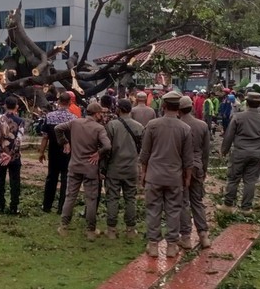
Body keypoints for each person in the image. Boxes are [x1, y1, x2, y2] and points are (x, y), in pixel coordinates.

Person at [140, 91, 194, 258]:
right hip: (174, 177)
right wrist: (187, 177)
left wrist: (143, 173)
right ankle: (171, 246)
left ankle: (153, 245)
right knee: (173, 210)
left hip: (154, 176)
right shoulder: (185, 128)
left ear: (163, 106)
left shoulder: (152, 125)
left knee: (153, 210)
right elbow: (188, 158)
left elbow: (145, 153)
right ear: (178, 107)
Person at [55, 102, 111, 241]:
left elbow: (57, 128)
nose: (102, 115)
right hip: (90, 168)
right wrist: (99, 153)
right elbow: (108, 146)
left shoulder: (75, 122)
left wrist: (64, 142)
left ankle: (64, 226)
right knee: (91, 199)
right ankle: (91, 231)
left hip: (74, 166)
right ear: (97, 113)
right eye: (101, 113)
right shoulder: (99, 128)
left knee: (70, 196)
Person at [219, 91, 260, 213]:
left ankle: (228, 205)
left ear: (246, 102)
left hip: (239, 153)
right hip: (256, 154)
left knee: (233, 179)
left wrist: (224, 150)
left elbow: (229, 136)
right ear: (259, 103)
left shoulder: (238, 117)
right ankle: (246, 208)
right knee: (250, 181)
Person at [104, 99, 143, 240]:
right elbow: (142, 149)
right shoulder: (139, 127)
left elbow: (106, 148)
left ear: (119, 109)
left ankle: (111, 230)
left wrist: (103, 167)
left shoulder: (111, 125)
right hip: (132, 168)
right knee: (130, 198)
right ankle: (131, 229)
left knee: (112, 198)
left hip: (114, 167)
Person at [178, 96, 211, 249]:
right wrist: (204, 169)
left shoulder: (177, 125)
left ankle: (186, 237)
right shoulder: (202, 125)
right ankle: (203, 235)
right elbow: (206, 151)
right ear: (191, 107)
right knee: (197, 202)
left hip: (180, 168)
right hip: (197, 166)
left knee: (183, 203)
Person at [38, 92, 77, 214]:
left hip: (53, 151)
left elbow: (45, 137)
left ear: (58, 102)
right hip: (67, 152)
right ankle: (62, 208)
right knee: (66, 179)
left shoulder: (49, 117)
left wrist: (41, 152)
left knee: (51, 177)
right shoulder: (74, 119)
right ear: (70, 102)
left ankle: (47, 205)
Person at [0, 96, 25, 214]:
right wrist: (10, 154)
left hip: (0, 156)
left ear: (5, 105)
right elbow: (18, 140)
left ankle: (0, 206)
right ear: (16, 106)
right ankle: (14, 207)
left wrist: (3, 153)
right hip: (15, 156)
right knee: (15, 181)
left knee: (0, 181)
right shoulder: (20, 121)